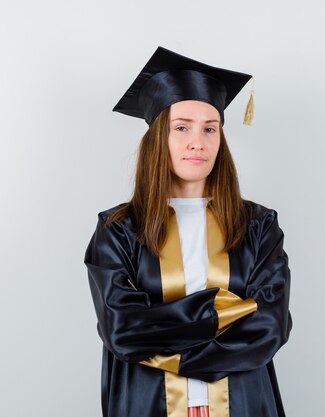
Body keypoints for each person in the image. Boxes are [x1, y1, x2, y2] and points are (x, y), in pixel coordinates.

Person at [84, 46, 293, 417]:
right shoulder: (118, 232)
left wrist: (160, 328)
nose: (198, 141)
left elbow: (269, 327)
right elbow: (122, 331)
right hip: (148, 404)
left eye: (209, 129)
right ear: (157, 138)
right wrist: (225, 308)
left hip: (243, 403)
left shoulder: (258, 226)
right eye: (181, 127)